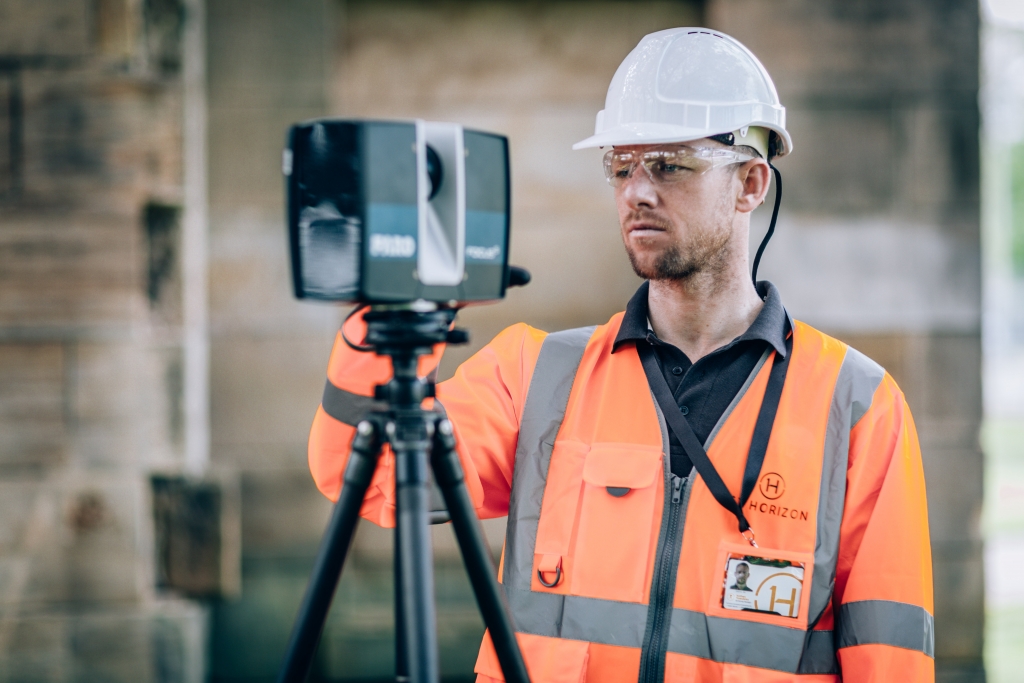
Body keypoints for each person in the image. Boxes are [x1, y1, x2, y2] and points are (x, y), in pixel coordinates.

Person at [308, 28, 934, 683]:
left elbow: (891, 659)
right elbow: (365, 474)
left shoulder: (858, 405)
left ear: (751, 182)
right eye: (621, 165)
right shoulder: (536, 376)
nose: (636, 190)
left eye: (668, 163)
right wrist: (385, 322)